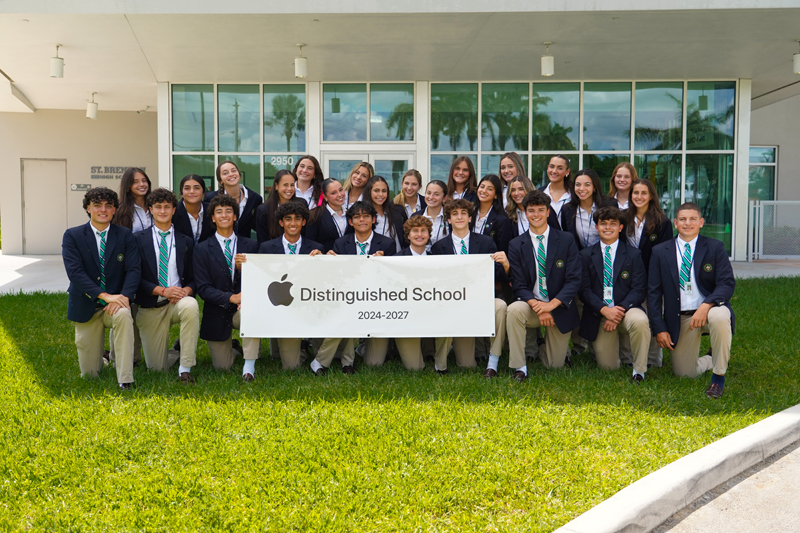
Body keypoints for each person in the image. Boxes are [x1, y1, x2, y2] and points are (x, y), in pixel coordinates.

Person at [648, 202, 735, 399]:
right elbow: (653, 293)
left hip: (709, 310)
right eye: (683, 219)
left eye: (693, 219)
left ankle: (718, 378)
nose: (688, 223)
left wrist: (706, 305)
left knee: (721, 316)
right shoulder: (660, 251)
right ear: (675, 223)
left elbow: (727, 283)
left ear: (701, 222)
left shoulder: (714, 247)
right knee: (685, 373)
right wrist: (660, 328)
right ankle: (712, 358)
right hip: (681, 318)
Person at [62, 187, 140, 390]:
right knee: (90, 375)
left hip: (115, 305)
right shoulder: (72, 236)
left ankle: (125, 378)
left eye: (108, 205)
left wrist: (123, 297)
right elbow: (75, 273)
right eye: (97, 205)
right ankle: (101, 359)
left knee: (124, 314)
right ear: (88, 208)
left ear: (115, 210)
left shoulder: (125, 236)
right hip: (87, 305)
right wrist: (105, 296)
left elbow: (134, 270)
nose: (103, 210)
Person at [506, 190, 581, 379]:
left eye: (541, 210)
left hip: (558, 306)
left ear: (548, 212)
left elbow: (574, 280)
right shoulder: (516, 244)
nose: (536, 215)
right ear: (525, 212)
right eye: (531, 210)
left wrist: (551, 305)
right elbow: (519, 284)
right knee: (514, 309)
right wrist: (539, 307)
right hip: (531, 306)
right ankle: (519, 366)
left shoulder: (566, 240)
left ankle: (541, 347)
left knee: (554, 366)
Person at [431, 199, 507, 375]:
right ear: (448, 220)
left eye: (463, 213)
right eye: (454, 214)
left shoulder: (486, 243)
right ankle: (440, 365)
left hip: (480, 298)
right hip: (451, 302)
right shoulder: (439, 248)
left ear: (470, 218)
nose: (459, 217)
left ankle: (492, 363)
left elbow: (497, 274)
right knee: (466, 365)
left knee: (501, 306)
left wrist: (506, 265)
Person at [133, 188, 200, 384]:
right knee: (156, 368)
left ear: (173, 210)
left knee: (191, 305)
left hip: (178, 303)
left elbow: (194, 278)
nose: (163, 211)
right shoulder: (137, 240)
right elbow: (134, 277)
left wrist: (185, 291)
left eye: (167, 207)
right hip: (151, 305)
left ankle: (185, 369)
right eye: (158, 207)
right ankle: (175, 352)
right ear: (151, 210)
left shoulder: (185, 241)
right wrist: (162, 290)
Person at [577, 206, 650, 383]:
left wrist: (618, 311)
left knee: (640, 321)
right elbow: (583, 290)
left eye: (613, 224)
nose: (607, 227)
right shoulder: (585, 255)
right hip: (599, 313)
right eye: (603, 224)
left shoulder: (633, 255)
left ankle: (639, 371)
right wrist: (604, 310)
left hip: (627, 310)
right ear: (596, 227)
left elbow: (639, 289)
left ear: (620, 227)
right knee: (607, 367)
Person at [193, 194, 261, 381]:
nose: (224, 215)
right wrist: (231, 298)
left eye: (228, 211)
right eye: (219, 212)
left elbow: (260, 280)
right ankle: (236, 348)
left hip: (242, 309)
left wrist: (246, 269)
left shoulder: (251, 245)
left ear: (235, 216)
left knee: (251, 312)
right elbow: (203, 288)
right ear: (213, 218)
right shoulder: (202, 249)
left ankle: (249, 367)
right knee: (223, 367)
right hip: (217, 310)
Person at [257, 201, 325, 370]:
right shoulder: (266, 248)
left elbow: (323, 281)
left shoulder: (317, 248)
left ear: (304, 222)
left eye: (297, 219)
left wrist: (323, 261)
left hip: (308, 306)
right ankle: (300, 347)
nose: (293, 223)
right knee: (291, 367)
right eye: (288, 219)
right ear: (281, 222)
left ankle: (306, 344)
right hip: (281, 307)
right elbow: (260, 279)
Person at [621, 178, 673, 367]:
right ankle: (628, 358)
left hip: (652, 277)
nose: (639, 197)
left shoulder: (662, 222)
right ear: (630, 194)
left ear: (651, 196)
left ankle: (652, 359)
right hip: (627, 277)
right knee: (630, 315)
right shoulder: (624, 218)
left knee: (652, 316)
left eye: (644, 193)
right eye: (636, 193)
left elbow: (664, 255)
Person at [204, 160, 263, 239]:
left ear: (239, 174)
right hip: (218, 246)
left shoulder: (255, 198)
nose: (231, 174)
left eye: (233, 170)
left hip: (245, 247)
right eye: (225, 173)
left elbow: (258, 227)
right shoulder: (210, 198)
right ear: (220, 180)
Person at [305, 178, 354, 253]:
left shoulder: (351, 214)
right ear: (325, 197)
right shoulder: (315, 215)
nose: (340, 195)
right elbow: (310, 243)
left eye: (341, 190)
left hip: (348, 260)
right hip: (324, 260)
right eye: (333, 193)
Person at [364, 175, 406, 251]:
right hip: (373, 258)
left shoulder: (397, 210)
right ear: (369, 191)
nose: (381, 194)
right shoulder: (362, 214)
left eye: (384, 191)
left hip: (396, 258)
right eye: (376, 191)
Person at [472, 174, 513, 253]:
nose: (484, 191)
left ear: (496, 195)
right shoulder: (469, 213)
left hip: (490, 262)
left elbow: (503, 251)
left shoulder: (502, 220)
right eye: (482, 187)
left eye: (489, 189)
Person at [255, 169, 297, 243]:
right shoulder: (263, 210)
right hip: (272, 253)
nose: (289, 189)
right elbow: (262, 242)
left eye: (292, 185)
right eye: (285, 185)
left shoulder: (301, 204)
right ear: (276, 186)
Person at [173, 174, 214, 244]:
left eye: (197, 188)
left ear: (203, 193)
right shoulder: (173, 212)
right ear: (182, 193)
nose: (192, 191)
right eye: (187, 188)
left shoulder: (212, 211)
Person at [413, 180, 449, 251]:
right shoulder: (416, 217)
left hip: (445, 258)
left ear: (445, 198)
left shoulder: (450, 216)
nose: (431, 197)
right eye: (428, 193)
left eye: (436, 194)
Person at [538, 155, 572, 230]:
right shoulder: (540, 193)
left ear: (567, 171)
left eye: (560, 168)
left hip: (569, 239)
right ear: (547, 168)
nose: (554, 171)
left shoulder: (573, 194)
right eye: (552, 167)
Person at [114, 167, 153, 233]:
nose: (142, 184)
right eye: (135, 182)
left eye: (144, 181)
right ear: (128, 186)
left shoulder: (155, 206)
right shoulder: (119, 210)